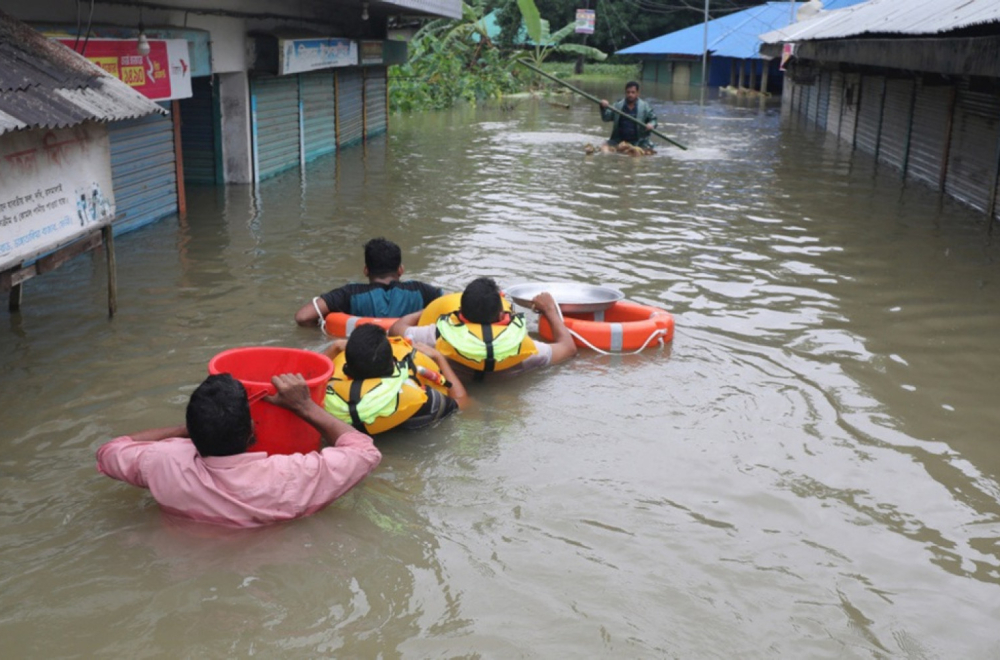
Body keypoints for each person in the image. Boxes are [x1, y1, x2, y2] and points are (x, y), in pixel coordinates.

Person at [96, 373, 381, 527]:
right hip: (272, 568)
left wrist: (186, 430)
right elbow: (365, 452)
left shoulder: (161, 461)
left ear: (193, 434)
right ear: (252, 433)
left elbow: (111, 450)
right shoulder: (288, 475)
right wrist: (305, 406)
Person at [388, 276, 577, 380]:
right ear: (502, 316)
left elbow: (397, 328)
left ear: (460, 312)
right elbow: (568, 348)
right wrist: (550, 309)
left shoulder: (436, 335)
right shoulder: (526, 348)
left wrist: (432, 309)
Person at [322, 324, 468, 434]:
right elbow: (463, 403)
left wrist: (334, 348)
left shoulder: (325, 399)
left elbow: (308, 378)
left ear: (347, 373)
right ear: (394, 364)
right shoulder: (424, 400)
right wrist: (439, 358)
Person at [295, 237, 443, 327]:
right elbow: (453, 307)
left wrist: (327, 327)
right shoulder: (422, 291)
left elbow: (303, 317)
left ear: (366, 270)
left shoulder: (349, 293)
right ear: (400, 270)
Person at [599, 81, 657, 151]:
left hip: (638, 142)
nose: (630, 95)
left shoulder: (644, 106)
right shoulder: (618, 105)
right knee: (603, 148)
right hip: (618, 140)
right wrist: (603, 107)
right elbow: (606, 118)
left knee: (637, 156)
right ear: (625, 93)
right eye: (628, 92)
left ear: (638, 93)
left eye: (633, 92)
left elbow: (653, 119)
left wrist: (651, 124)